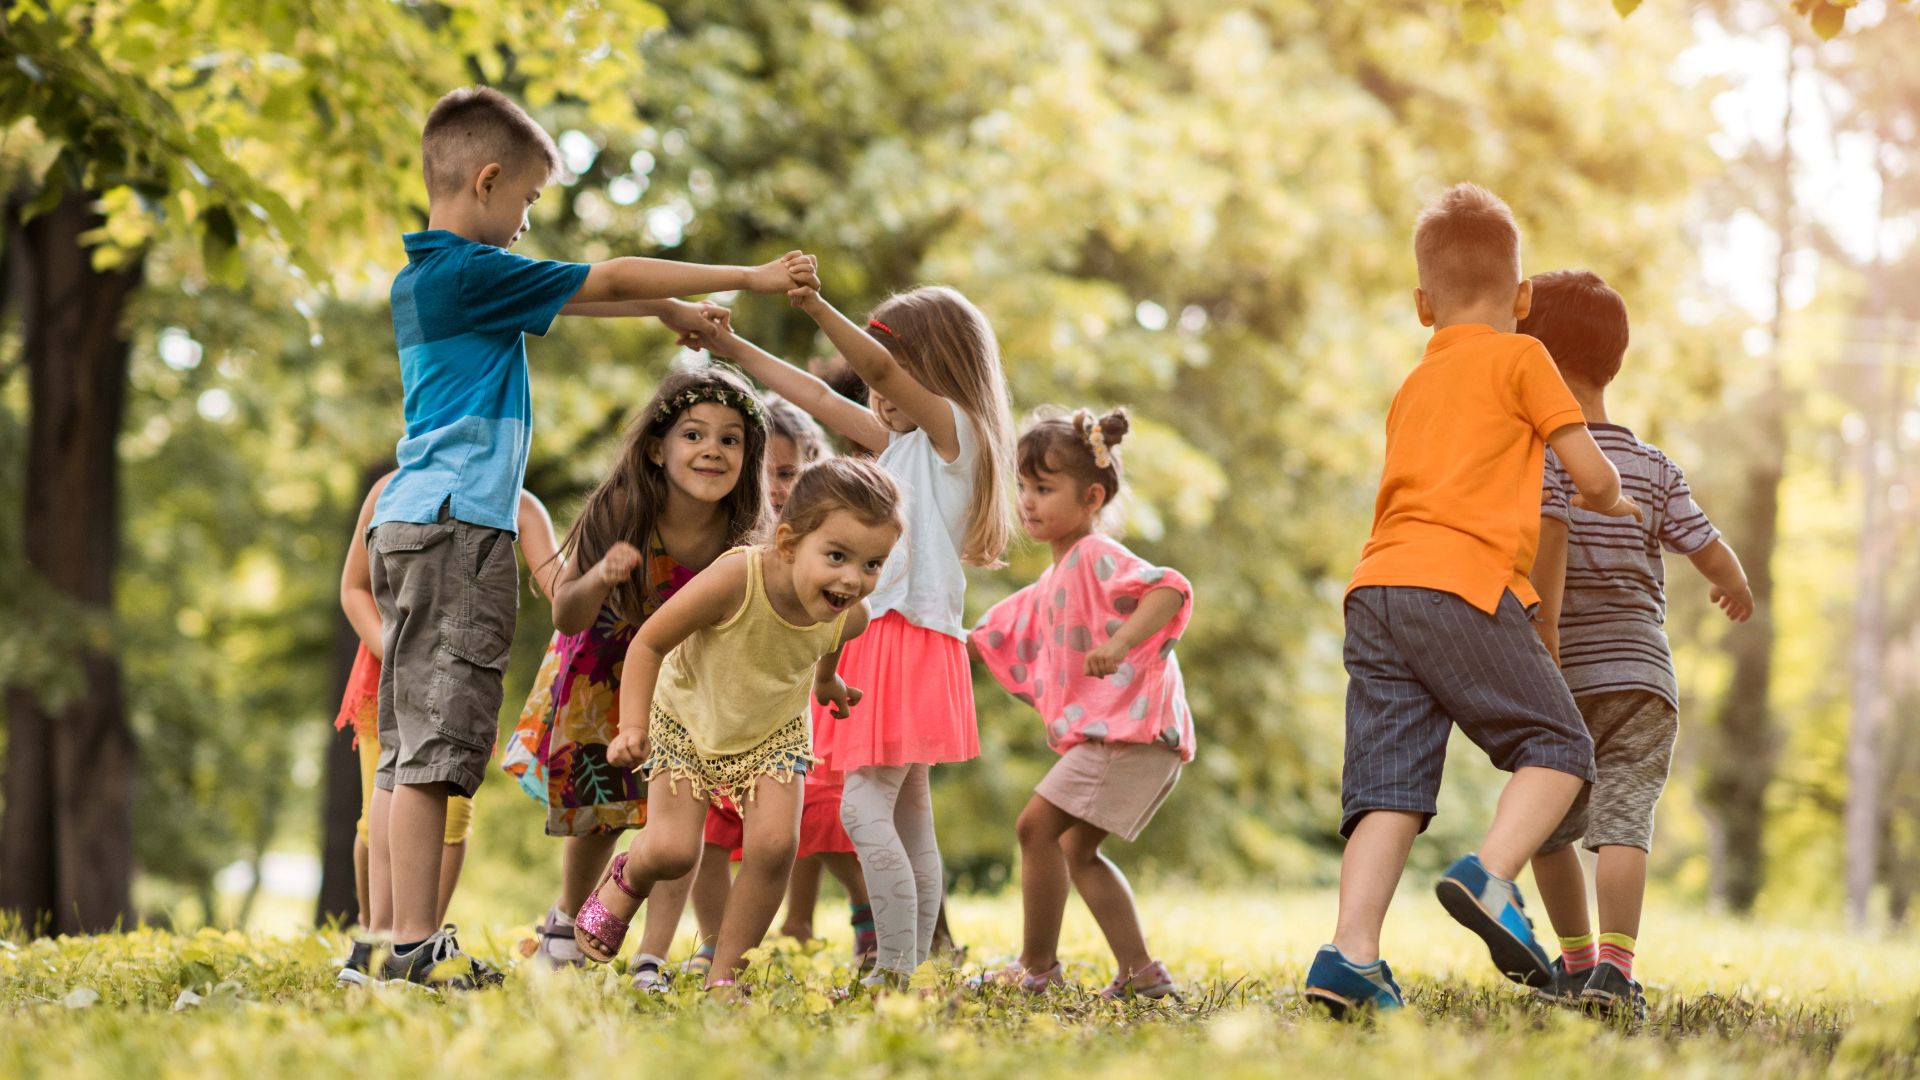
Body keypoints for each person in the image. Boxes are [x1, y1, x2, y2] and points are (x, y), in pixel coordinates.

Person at [364, 84, 808, 987]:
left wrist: (663, 315)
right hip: (458, 530)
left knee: (415, 747)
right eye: (526, 201)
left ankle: (394, 942)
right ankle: (408, 948)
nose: (528, 222)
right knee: (441, 750)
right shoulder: (467, 271)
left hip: (414, 523)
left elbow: (588, 298)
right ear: (487, 181)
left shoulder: (431, 279)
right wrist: (746, 280)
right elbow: (604, 277)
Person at [1301, 183, 1642, 1017]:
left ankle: (1350, 956)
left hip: (1377, 590)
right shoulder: (1524, 357)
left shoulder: (1415, 383)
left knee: (1388, 787)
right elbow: (1587, 465)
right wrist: (1613, 500)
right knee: (1561, 748)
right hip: (1460, 584)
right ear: (1523, 300)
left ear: (1423, 305)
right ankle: (1491, 876)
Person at [694, 278, 1016, 984]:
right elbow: (818, 398)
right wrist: (729, 347)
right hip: (888, 639)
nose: (878, 393)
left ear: (938, 368)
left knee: (862, 804)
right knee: (908, 817)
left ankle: (892, 970)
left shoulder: (954, 436)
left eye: (895, 371)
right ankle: (914, 965)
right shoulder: (901, 445)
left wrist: (814, 304)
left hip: (903, 637)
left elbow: (875, 370)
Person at [571, 458, 906, 993]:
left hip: (774, 732)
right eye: (837, 557)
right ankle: (628, 873)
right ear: (790, 543)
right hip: (688, 718)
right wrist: (631, 726)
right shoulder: (737, 576)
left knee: (775, 846)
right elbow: (650, 642)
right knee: (675, 850)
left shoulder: (852, 613)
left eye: (872, 564)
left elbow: (832, 640)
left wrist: (825, 683)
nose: (852, 579)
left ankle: (725, 976)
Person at [1520, 270, 1755, 1020]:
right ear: (1612, 360)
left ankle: (1576, 962)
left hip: (1559, 674)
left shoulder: (1537, 458)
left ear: (1536, 359)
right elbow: (1708, 546)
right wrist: (1736, 586)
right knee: (1625, 819)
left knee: (1548, 828)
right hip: (1644, 678)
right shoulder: (1651, 465)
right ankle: (1616, 971)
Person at [501, 366, 768, 989]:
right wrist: (599, 576)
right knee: (603, 810)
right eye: (694, 435)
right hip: (605, 668)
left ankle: (652, 954)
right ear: (658, 447)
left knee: (678, 816)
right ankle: (566, 925)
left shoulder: (744, 531)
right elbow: (567, 611)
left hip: (689, 679)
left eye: (731, 440)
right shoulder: (623, 507)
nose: (712, 450)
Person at [970, 408, 1195, 1000]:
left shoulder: (1097, 555)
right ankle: (1143, 974)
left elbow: (1169, 588)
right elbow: (995, 630)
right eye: (1023, 487)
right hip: (1129, 736)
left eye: (1044, 489)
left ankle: (1036, 966)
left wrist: (1120, 643)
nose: (1028, 501)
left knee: (1034, 827)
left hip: (1131, 733)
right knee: (1073, 849)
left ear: (1091, 496)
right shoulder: (1055, 577)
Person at [335, 473, 562, 986]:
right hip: (385, 682)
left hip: (457, 680)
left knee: (450, 814)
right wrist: (396, 657)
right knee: (378, 817)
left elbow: (559, 584)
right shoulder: (387, 490)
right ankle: (373, 938)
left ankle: (418, 941)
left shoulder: (517, 503)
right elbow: (353, 589)